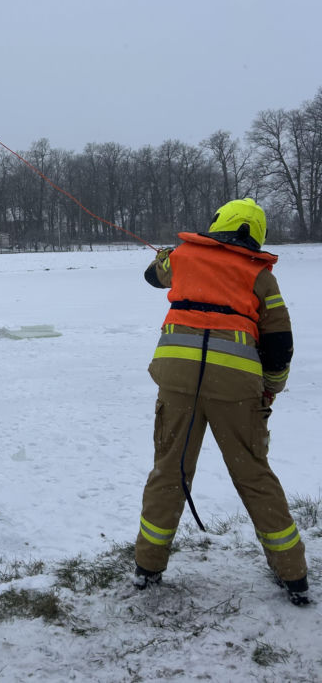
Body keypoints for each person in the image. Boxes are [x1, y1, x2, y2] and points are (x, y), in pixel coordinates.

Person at [135, 198, 309, 606]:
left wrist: (166, 258)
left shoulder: (181, 257)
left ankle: (147, 567)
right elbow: (280, 343)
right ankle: (293, 574)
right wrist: (271, 388)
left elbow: (150, 276)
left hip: (176, 383)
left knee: (169, 472)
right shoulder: (260, 276)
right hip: (237, 390)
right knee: (254, 476)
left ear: (217, 223)